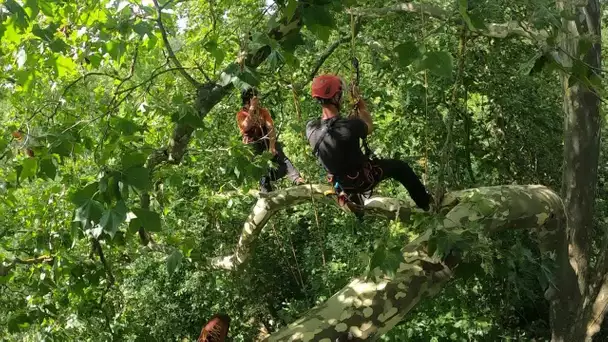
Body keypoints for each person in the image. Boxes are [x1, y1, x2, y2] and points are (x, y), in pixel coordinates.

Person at [305, 74, 432, 213]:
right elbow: (369, 126)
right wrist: (362, 106)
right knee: (401, 168)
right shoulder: (350, 126)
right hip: (361, 180)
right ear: (336, 97)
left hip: (339, 182)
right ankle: (426, 204)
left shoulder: (311, 128)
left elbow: (337, 134)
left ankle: (356, 207)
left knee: (347, 169)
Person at [236, 87, 305, 193]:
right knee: (261, 167)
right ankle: (265, 190)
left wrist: (272, 147)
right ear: (248, 100)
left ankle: (297, 178)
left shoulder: (263, 112)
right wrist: (251, 109)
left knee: (282, 157)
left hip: (267, 140)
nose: (258, 101)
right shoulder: (241, 114)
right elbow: (245, 126)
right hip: (253, 145)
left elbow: (270, 127)